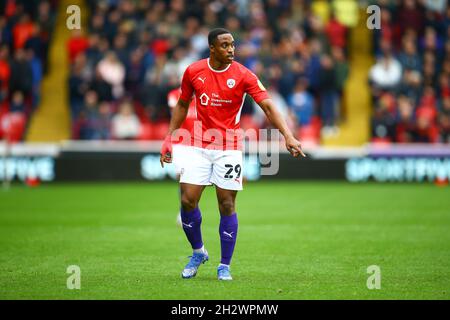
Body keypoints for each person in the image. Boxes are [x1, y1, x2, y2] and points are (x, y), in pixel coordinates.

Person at [160, 28, 305, 281]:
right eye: (225, 45)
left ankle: (224, 265)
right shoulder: (194, 71)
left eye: (233, 45)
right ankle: (198, 252)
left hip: (228, 146)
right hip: (196, 144)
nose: (231, 50)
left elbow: (268, 106)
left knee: (226, 204)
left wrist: (288, 135)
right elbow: (183, 104)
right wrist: (170, 137)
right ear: (212, 48)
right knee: (187, 200)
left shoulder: (243, 74)